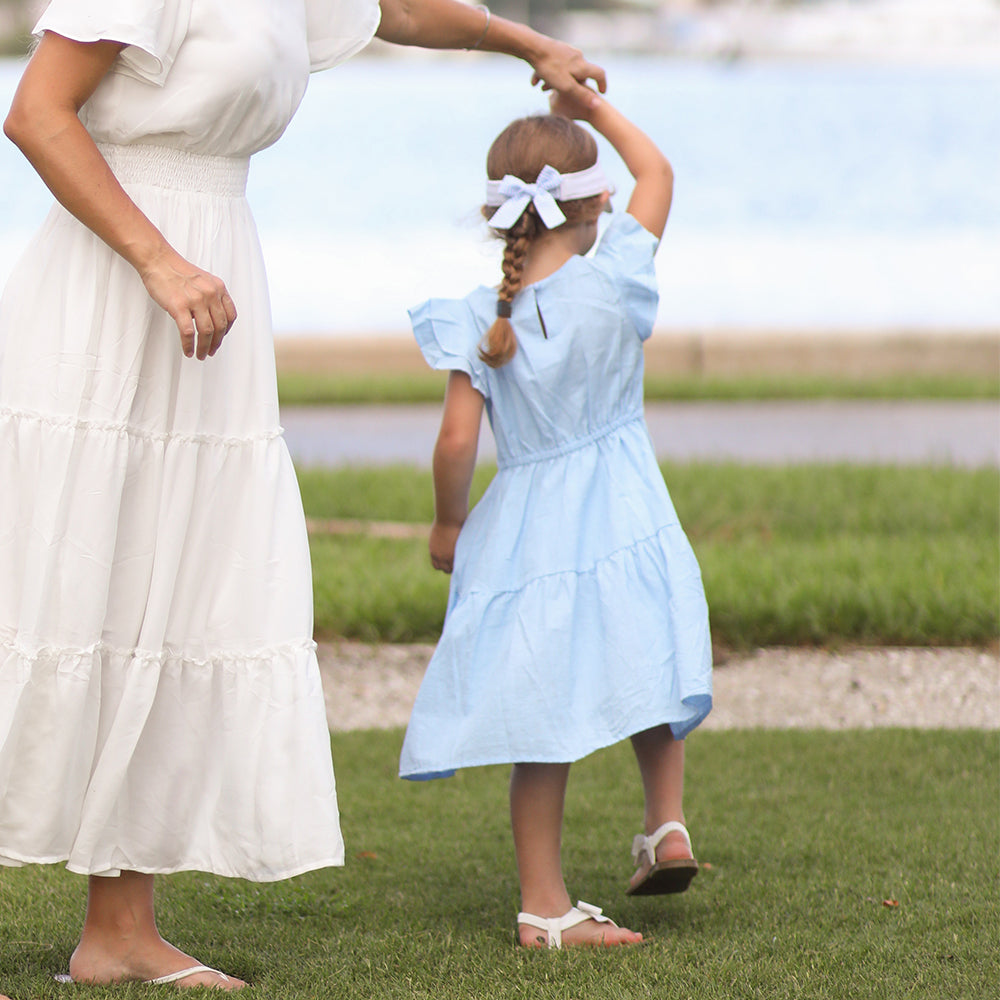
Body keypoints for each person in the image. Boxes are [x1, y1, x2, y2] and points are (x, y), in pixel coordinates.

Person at [0, 0, 606, 989]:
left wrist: (524, 41)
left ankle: (118, 930)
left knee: (171, 588)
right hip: (113, 290)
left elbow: (396, 9)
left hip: (212, 283)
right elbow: (35, 114)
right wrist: (157, 259)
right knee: (51, 577)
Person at [398, 89, 713, 948]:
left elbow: (456, 442)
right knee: (647, 646)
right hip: (626, 507)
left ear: (500, 214)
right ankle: (666, 822)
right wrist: (588, 105)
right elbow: (659, 169)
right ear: (596, 203)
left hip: (532, 528)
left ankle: (544, 901)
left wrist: (447, 527)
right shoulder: (616, 278)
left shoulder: (476, 315)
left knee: (544, 708)